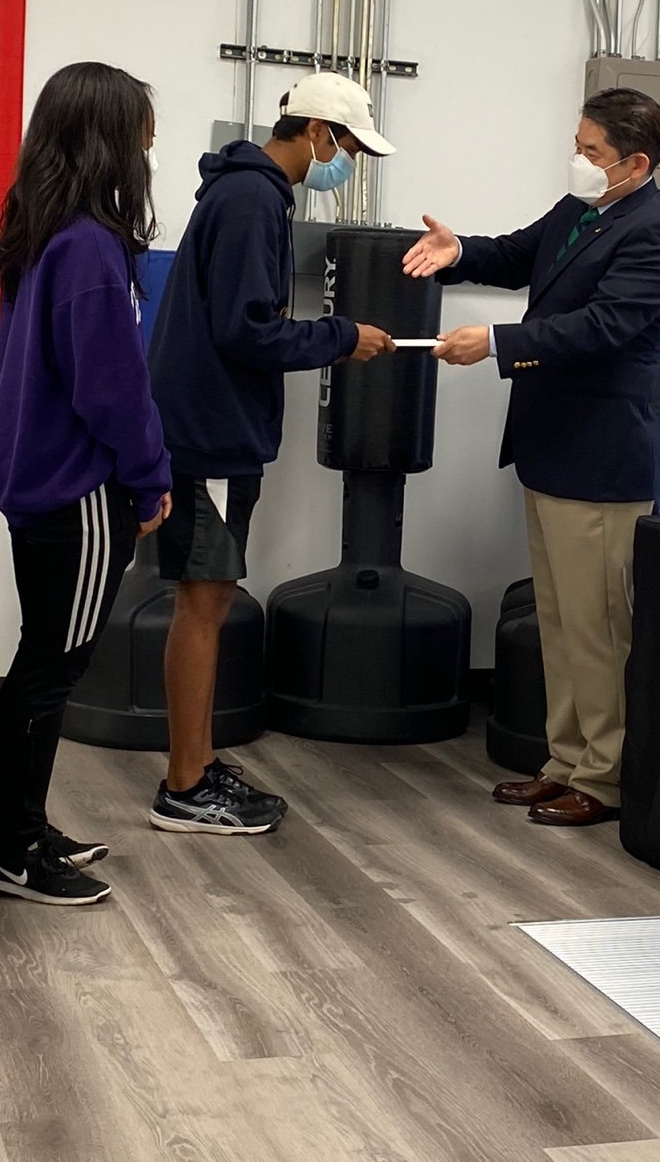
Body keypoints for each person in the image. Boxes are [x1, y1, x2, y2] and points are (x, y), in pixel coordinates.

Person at [402, 88, 660, 827]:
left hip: (600, 459)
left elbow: (603, 327)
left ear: (635, 164)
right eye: (577, 145)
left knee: (598, 629)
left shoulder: (656, 231)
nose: (577, 160)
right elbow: (513, 254)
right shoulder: (581, 209)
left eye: (592, 151)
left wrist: (497, 344)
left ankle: (604, 777)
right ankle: (564, 762)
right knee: (560, 623)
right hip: (550, 447)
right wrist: (458, 252)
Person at [146, 71, 396, 834]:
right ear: (316, 132)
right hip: (211, 433)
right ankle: (185, 786)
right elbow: (245, 330)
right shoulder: (253, 200)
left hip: (212, 426)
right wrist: (340, 337)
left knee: (210, 596)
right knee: (204, 601)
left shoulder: (248, 193)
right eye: (347, 147)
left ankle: (195, 762)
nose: (346, 164)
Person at [0, 62, 172, 905]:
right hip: (78, 490)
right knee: (53, 667)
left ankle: (18, 828)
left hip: (40, 479)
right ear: (109, 140)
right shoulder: (89, 245)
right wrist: (151, 478)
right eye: (142, 133)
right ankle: (14, 845)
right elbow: (112, 389)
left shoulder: (42, 229)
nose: (149, 148)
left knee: (41, 659)